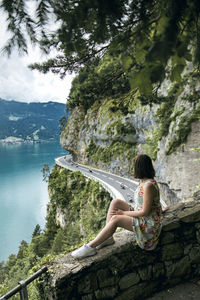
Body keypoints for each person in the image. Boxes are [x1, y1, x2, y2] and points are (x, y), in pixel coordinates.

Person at [71, 154, 162, 259]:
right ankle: (108, 238)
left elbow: (145, 212)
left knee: (116, 219)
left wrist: (124, 213)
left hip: (148, 223)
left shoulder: (148, 185)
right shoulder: (143, 182)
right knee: (115, 202)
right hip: (143, 216)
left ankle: (89, 247)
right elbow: (152, 204)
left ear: (139, 168)